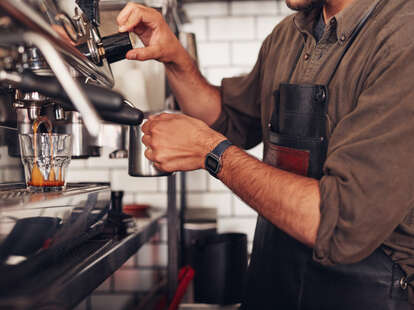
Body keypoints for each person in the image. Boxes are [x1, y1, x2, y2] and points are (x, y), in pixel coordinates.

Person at [116, 0, 414, 308]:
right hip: (273, 286)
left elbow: (341, 223)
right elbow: (229, 120)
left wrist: (212, 152)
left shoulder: (403, 37)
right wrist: (175, 57)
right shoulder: (290, 34)